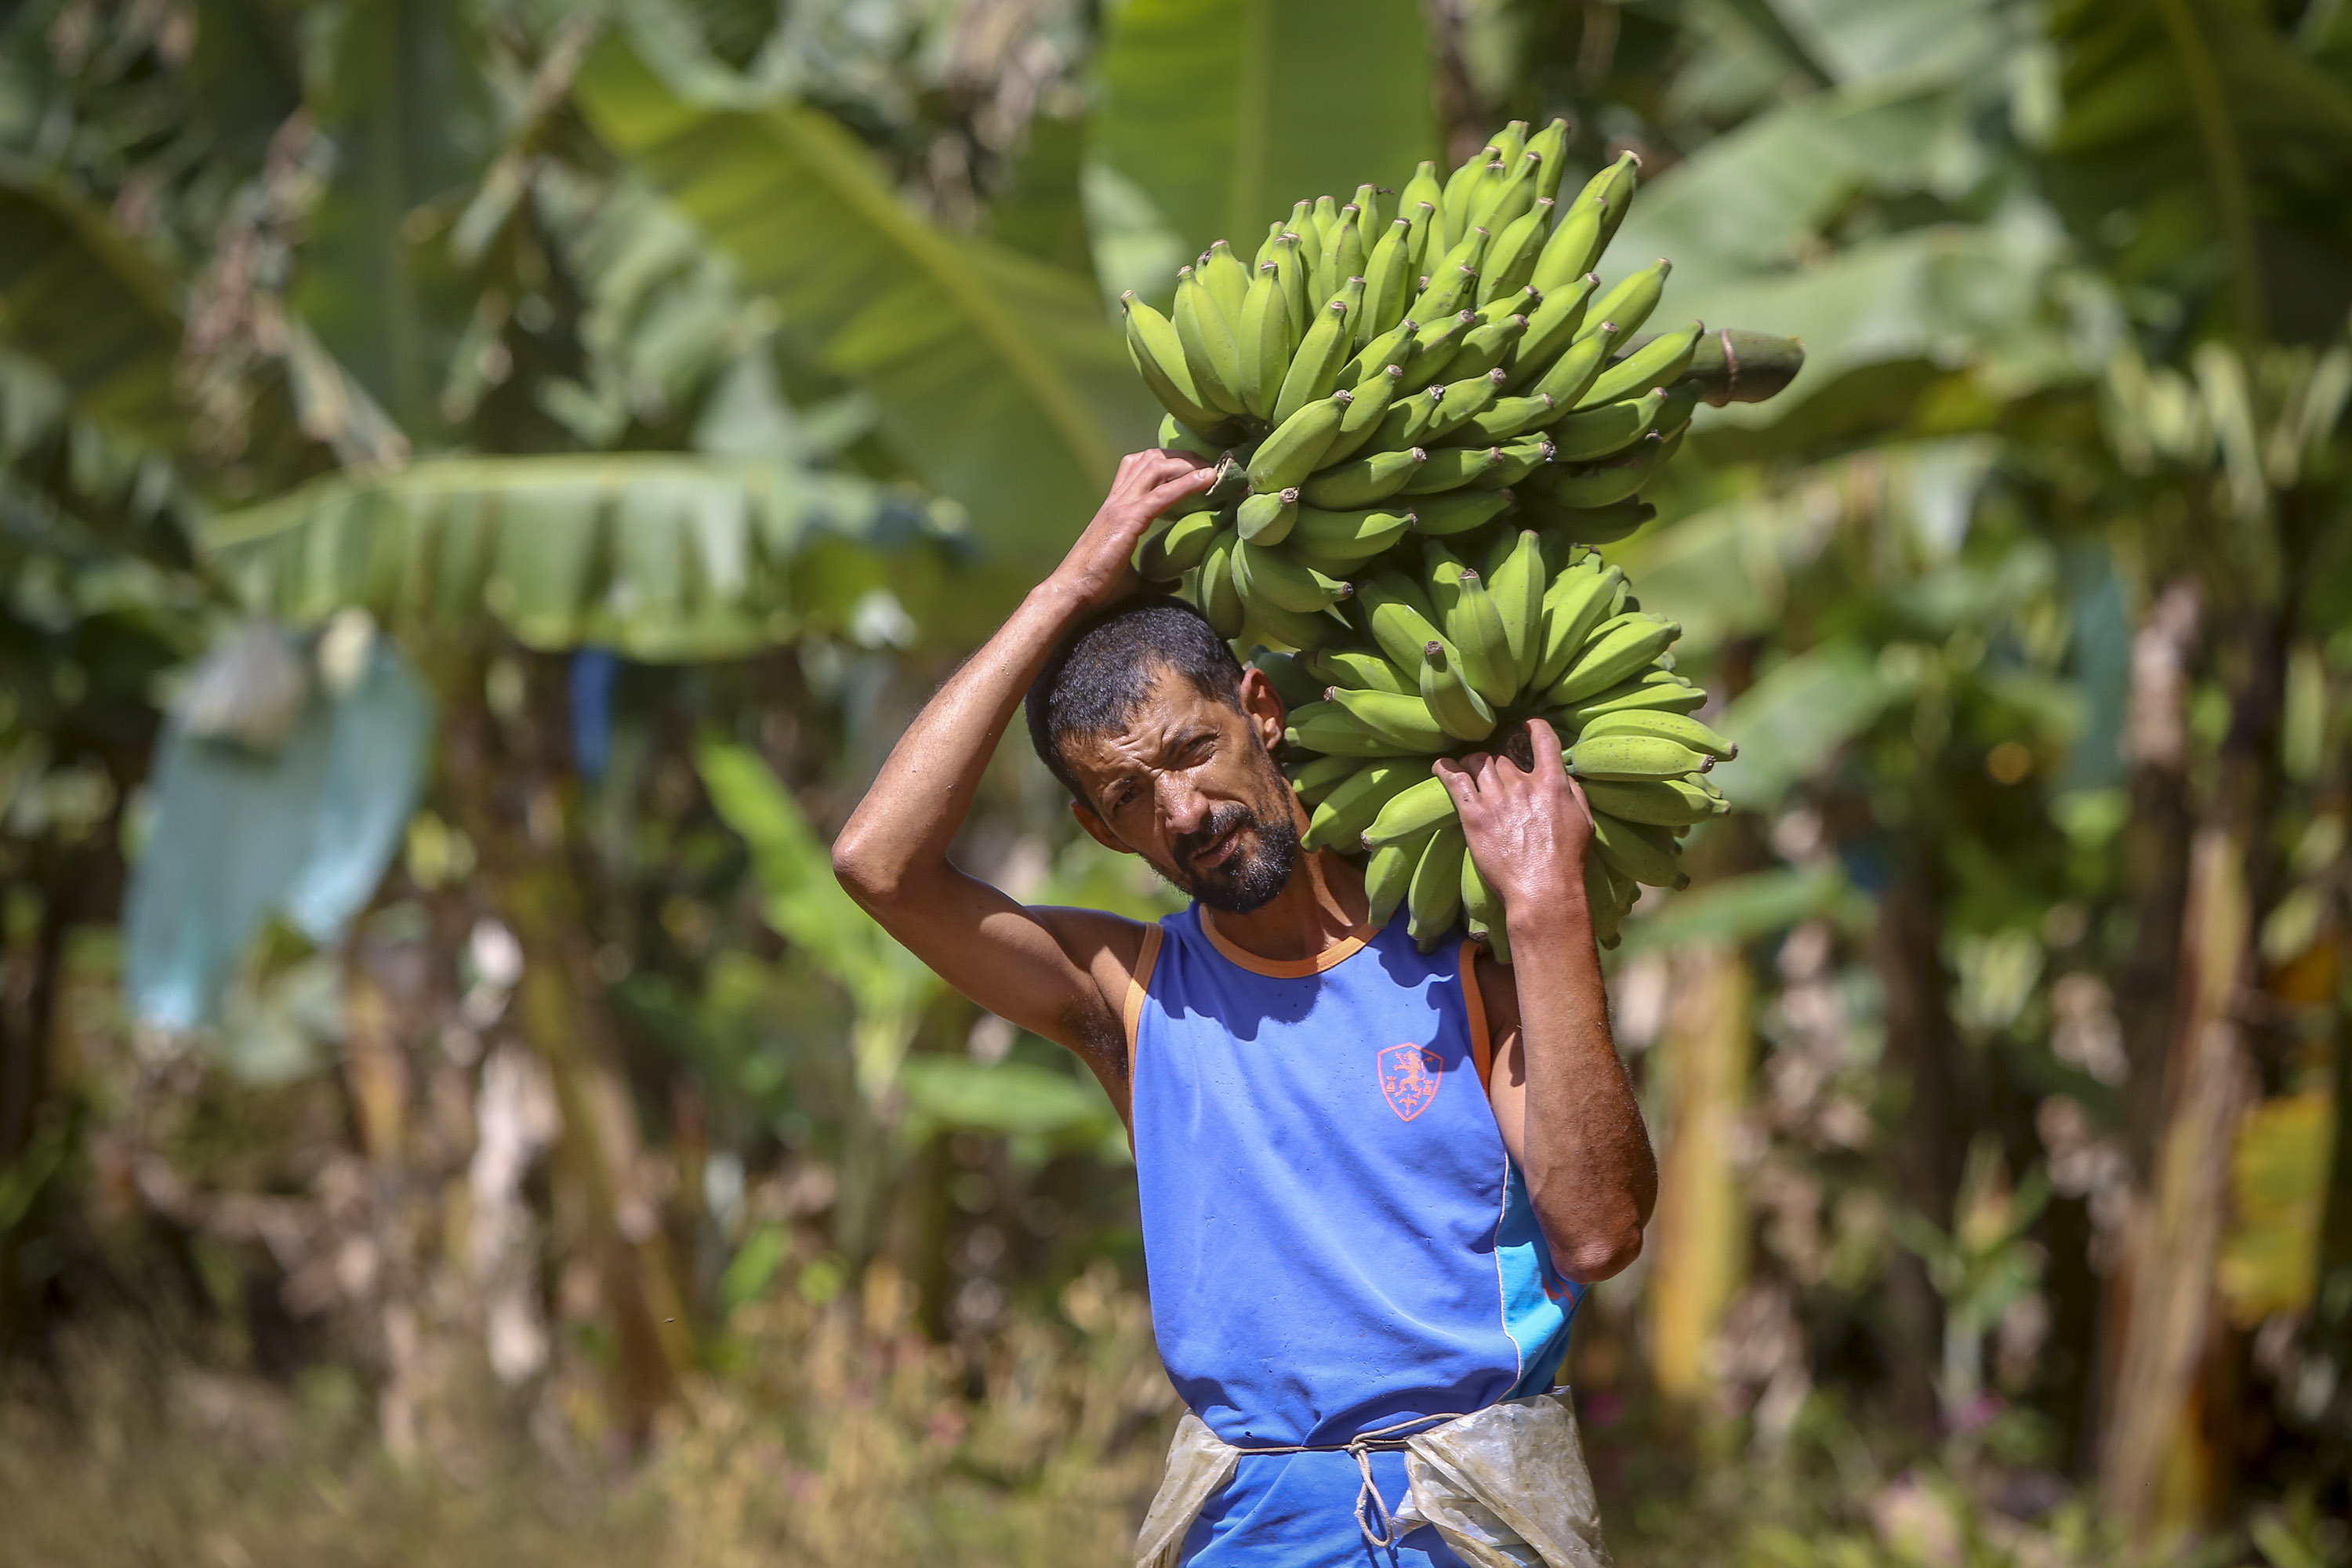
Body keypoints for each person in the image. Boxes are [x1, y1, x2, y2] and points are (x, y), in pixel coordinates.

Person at [833, 450, 1657, 1567]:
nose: (1183, 809)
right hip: (1250, 1523)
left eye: (1194, 749)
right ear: (1101, 832)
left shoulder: (1465, 959)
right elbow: (879, 865)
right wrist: (1070, 584)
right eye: (1129, 795)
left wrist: (1548, 908)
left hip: (1472, 1513)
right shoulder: (1128, 996)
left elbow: (1600, 1232)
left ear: (1259, 711)